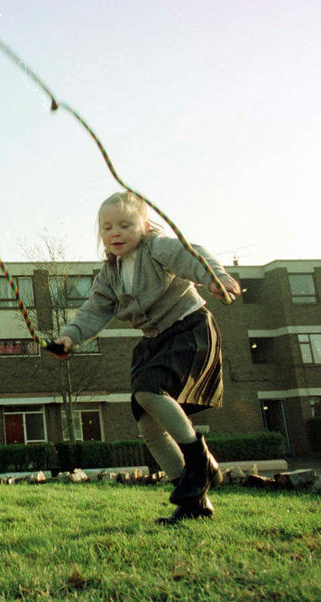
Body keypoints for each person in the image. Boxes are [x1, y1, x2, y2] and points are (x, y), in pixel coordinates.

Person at [51, 191, 241, 524]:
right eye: (107, 227)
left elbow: (191, 255)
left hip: (189, 329)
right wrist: (69, 337)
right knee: (147, 420)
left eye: (125, 225)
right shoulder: (110, 274)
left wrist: (217, 276)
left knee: (149, 390)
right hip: (156, 340)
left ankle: (202, 463)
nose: (115, 233)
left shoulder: (156, 248)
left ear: (145, 225)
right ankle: (193, 501)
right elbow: (93, 311)